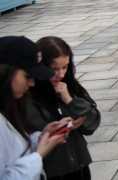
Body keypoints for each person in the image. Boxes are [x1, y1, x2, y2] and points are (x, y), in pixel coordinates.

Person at [26, 37, 100, 180]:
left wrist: (69, 100)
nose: (60, 74)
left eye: (65, 67)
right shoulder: (27, 94)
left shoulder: (70, 87)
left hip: (79, 166)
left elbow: (92, 124)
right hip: (49, 171)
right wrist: (57, 130)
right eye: (54, 69)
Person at [0, 36, 71, 180]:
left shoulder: (9, 105)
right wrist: (38, 155)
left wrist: (41, 137)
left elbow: (14, 148)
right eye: (27, 76)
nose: (32, 83)